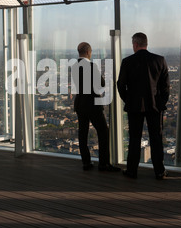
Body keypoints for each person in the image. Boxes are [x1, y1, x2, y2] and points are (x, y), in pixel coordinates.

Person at [117, 32, 170, 179]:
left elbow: (120, 85)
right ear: (146, 43)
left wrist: (128, 99)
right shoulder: (159, 60)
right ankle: (159, 171)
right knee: (156, 138)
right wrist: (160, 103)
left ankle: (132, 170)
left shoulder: (127, 62)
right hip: (155, 106)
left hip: (134, 106)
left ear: (135, 44)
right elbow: (166, 87)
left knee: (134, 139)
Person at [72, 42, 120, 172]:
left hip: (80, 104)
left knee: (83, 134)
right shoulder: (91, 66)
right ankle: (103, 164)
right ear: (88, 52)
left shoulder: (74, 66)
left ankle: (86, 163)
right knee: (103, 132)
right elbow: (101, 84)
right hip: (93, 105)